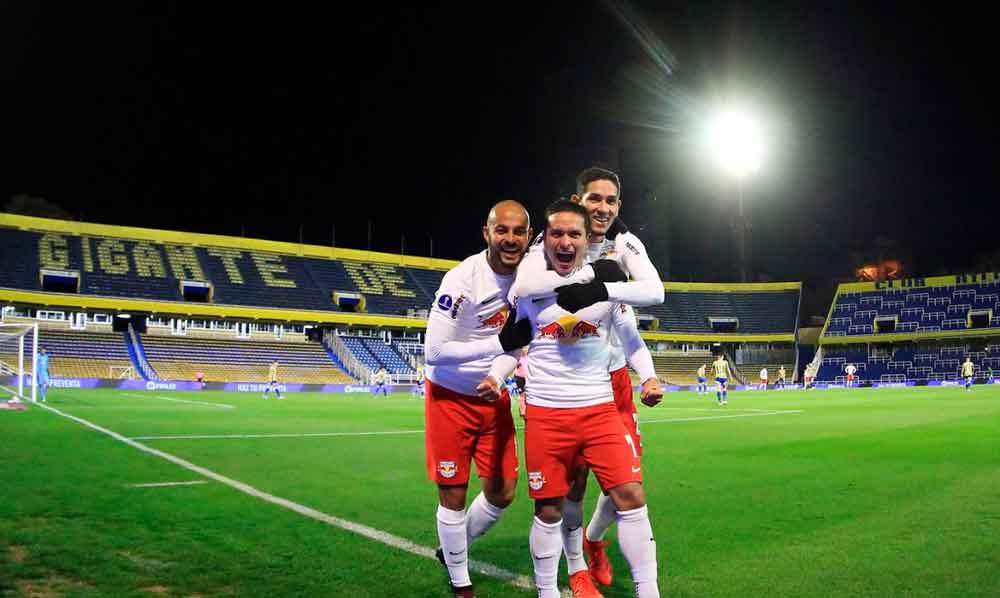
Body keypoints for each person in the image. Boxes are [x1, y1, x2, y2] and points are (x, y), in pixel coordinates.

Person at [510, 168, 665, 592]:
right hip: (563, 386)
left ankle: (594, 541)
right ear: (577, 201)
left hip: (611, 382)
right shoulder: (552, 243)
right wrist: (589, 278)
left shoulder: (625, 245)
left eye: (611, 201)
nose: (602, 208)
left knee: (627, 485)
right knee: (571, 488)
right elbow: (524, 289)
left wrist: (605, 289)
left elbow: (653, 292)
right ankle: (577, 568)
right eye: (594, 199)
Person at [423, 200, 534, 598]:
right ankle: (460, 580)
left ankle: (452, 549)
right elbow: (432, 352)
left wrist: (497, 374)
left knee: (503, 492)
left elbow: (519, 342)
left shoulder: (529, 280)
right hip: (449, 396)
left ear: (528, 236)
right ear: (486, 233)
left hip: (492, 395)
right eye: (501, 230)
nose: (510, 238)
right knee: (453, 492)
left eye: (518, 231)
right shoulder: (461, 280)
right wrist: (495, 344)